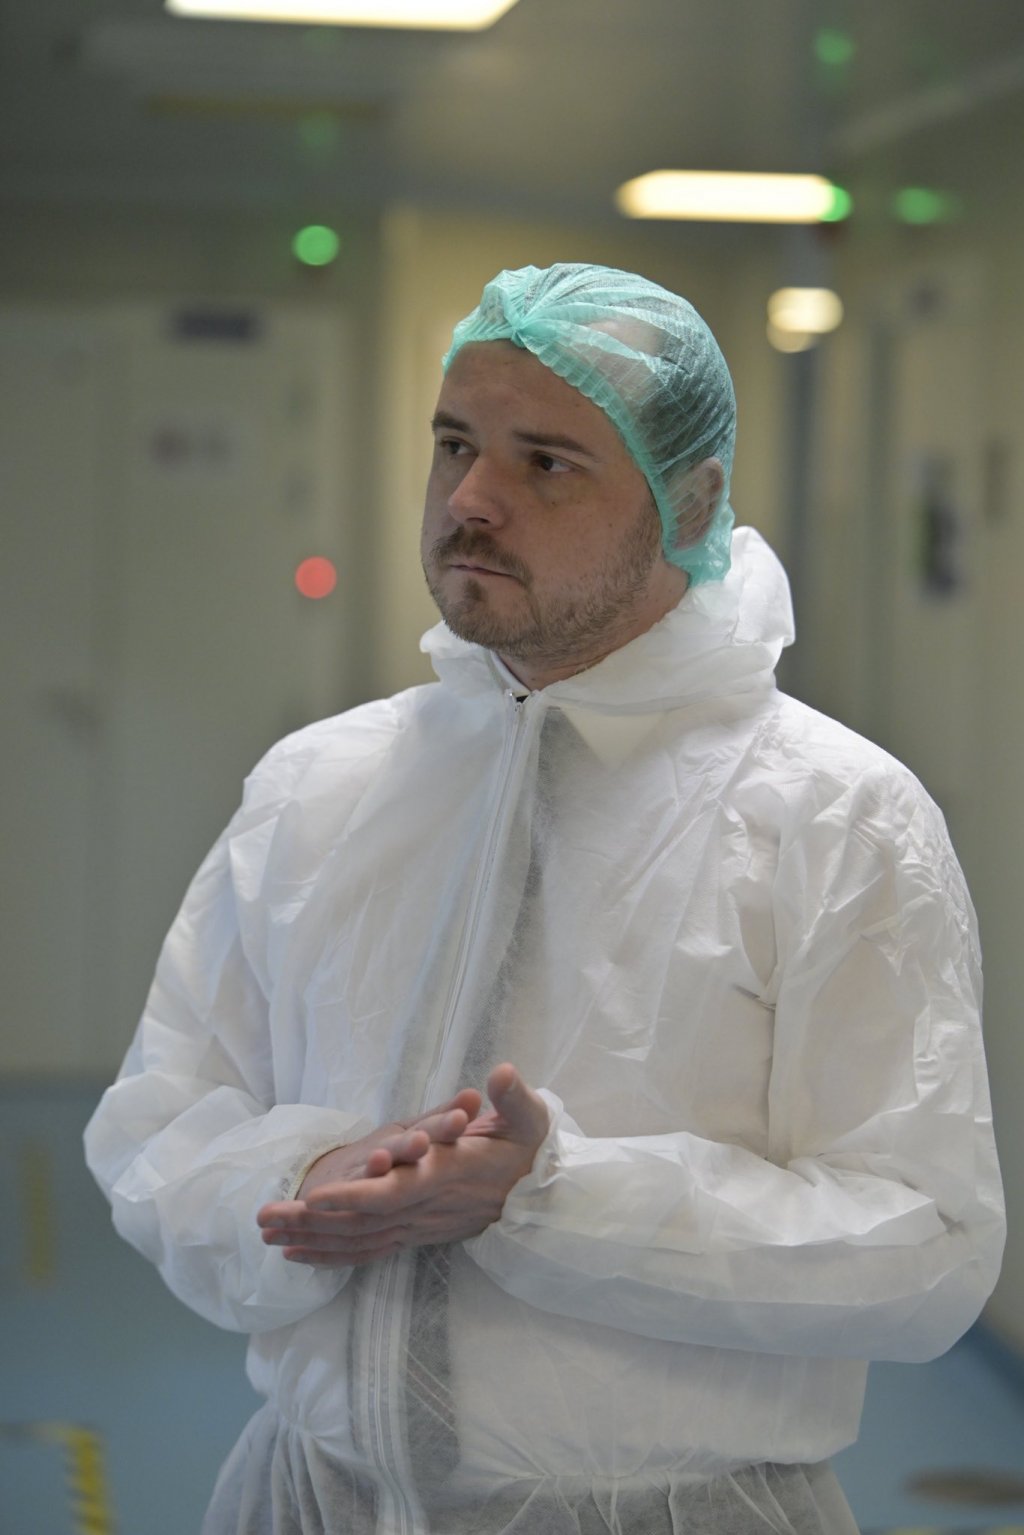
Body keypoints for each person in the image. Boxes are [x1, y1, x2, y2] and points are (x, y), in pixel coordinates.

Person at [84, 263, 1005, 1535]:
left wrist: (550, 1194)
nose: (470, 497)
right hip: (307, 1498)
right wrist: (307, 1173)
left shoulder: (830, 814)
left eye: (547, 462)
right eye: (454, 443)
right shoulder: (321, 784)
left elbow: (925, 1245)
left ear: (688, 502)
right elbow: (157, 1126)